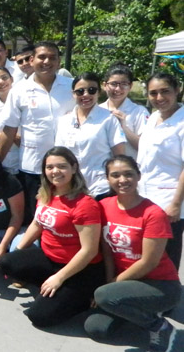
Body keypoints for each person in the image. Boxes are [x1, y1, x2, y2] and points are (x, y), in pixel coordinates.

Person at [83, 155, 181, 352]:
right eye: (115, 175)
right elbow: (107, 250)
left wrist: (111, 287)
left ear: (138, 176)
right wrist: (109, 284)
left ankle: (159, 326)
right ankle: (137, 310)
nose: (122, 180)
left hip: (160, 285)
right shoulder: (104, 205)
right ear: (107, 179)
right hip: (126, 283)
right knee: (96, 327)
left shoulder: (153, 213)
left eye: (128, 174)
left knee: (104, 296)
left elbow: (148, 262)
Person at [0, 147, 105, 328]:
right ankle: (54, 289)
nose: (55, 171)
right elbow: (37, 224)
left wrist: (59, 277)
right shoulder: (46, 194)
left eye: (62, 166)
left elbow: (89, 251)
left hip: (80, 269)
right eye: (50, 167)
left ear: (74, 168)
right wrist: (17, 251)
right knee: (7, 262)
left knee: (38, 316)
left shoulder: (85, 204)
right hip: (50, 258)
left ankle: (84, 297)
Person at [0, 42, 75, 223]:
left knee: (65, 217)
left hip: (66, 168)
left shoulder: (72, 87)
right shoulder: (19, 90)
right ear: (32, 60)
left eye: (52, 58)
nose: (47, 61)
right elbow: (9, 129)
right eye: (42, 57)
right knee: (37, 217)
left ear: (59, 61)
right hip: (33, 167)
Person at [137, 72, 184, 270]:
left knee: (166, 259)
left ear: (177, 90)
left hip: (168, 201)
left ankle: (170, 291)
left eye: (165, 91)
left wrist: (175, 204)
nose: (159, 97)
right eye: (153, 93)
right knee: (144, 256)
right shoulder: (154, 117)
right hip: (145, 197)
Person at [55, 73, 126, 199]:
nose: (86, 95)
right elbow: (59, 156)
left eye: (91, 90)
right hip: (71, 187)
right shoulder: (64, 121)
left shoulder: (108, 119)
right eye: (80, 91)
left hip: (101, 188)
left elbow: (119, 156)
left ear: (99, 92)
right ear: (73, 94)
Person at [99, 64, 149, 158]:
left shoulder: (139, 112)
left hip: (128, 165)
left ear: (130, 86)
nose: (118, 89)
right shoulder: (98, 110)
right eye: (113, 84)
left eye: (124, 84)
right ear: (105, 85)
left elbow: (145, 147)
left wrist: (124, 127)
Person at [0, 67, 20, 175]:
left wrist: (5, 135)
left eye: (4, 78)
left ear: (12, 79)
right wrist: (13, 137)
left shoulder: (24, 100)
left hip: (26, 159)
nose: (1, 82)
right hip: (6, 162)